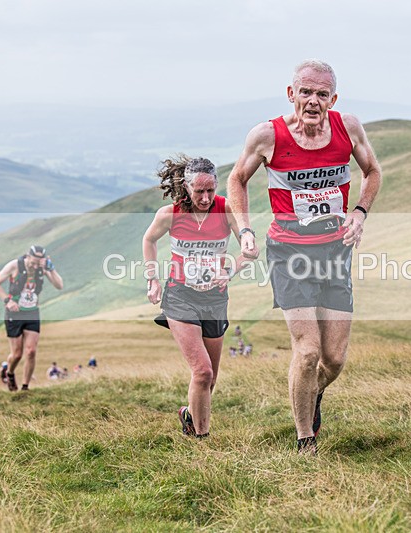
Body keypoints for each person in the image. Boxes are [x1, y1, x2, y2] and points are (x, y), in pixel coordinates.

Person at [228, 59, 382, 453]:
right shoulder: (268, 135)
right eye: (306, 92)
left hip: (335, 253)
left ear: (333, 98)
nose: (313, 101)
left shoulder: (348, 128)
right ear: (291, 94)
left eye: (322, 94)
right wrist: (245, 230)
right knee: (308, 350)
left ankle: (309, 393)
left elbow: (373, 172)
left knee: (334, 359)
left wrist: (359, 213)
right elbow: (236, 179)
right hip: (289, 253)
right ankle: (305, 439)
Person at [143, 155, 253, 439]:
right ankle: (201, 440)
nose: (205, 198)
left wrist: (230, 270)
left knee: (210, 379)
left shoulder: (226, 209)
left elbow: (250, 252)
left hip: (215, 300)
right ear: (186, 187)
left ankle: (190, 416)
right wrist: (152, 279)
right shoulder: (170, 213)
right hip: (180, 296)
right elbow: (149, 239)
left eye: (210, 190)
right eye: (199, 191)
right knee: (202, 372)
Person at [0, 245, 64, 392]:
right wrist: (8, 301)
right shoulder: (14, 266)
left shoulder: (42, 268)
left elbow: (59, 285)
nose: (35, 266)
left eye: (38, 263)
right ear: (28, 256)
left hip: (32, 312)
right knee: (17, 354)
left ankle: (25, 387)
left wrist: (51, 269)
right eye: (33, 262)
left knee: (31, 352)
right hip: (14, 313)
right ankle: (10, 373)